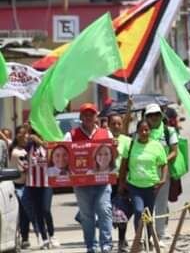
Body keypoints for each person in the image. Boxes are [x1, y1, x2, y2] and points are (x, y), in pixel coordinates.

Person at [64, 102, 113, 253]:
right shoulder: (70, 135)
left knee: (104, 210)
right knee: (86, 215)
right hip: (81, 183)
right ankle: (91, 245)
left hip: (102, 181)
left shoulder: (106, 133)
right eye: (85, 114)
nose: (88, 117)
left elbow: (113, 155)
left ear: (96, 116)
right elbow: (64, 154)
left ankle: (106, 244)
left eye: (91, 114)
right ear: (81, 117)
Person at [118, 120, 168, 246]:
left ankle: (148, 239)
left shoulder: (157, 146)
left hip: (151, 186)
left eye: (147, 130)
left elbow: (164, 164)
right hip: (134, 186)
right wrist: (121, 183)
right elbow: (123, 165)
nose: (144, 132)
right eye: (141, 130)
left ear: (150, 131)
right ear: (137, 132)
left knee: (149, 214)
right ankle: (139, 238)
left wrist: (163, 179)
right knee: (139, 211)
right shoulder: (130, 145)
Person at [143, 103, 178, 246]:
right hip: (145, 174)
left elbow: (174, 152)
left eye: (157, 114)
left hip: (163, 173)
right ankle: (148, 234)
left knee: (161, 204)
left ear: (161, 115)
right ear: (146, 117)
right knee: (148, 204)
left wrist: (161, 161)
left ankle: (160, 234)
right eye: (151, 115)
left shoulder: (168, 131)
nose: (154, 118)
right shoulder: (143, 131)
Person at [25, 127, 60, 249]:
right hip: (32, 183)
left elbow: (53, 155)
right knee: (38, 211)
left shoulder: (47, 144)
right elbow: (23, 146)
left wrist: (41, 141)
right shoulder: (29, 145)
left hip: (46, 183)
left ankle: (52, 234)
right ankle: (43, 238)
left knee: (46, 209)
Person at [108, 109, 133, 253]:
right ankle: (107, 241)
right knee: (107, 212)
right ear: (109, 125)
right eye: (113, 123)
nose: (116, 126)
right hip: (106, 181)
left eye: (119, 123)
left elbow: (130, 160)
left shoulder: (128, 141)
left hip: (122, 180)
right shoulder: (104, 139)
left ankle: (122, 241)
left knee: (122, 210)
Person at [9, 125, 31, 249]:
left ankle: (25, 237)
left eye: (26, 134)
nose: (24, 136)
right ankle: (21, 237)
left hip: (28, 184)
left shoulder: (29, 149)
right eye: (21, 134)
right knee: (20, 212)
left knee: (26, 212)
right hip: (15, 185)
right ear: (17, 135)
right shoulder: (12, 149)